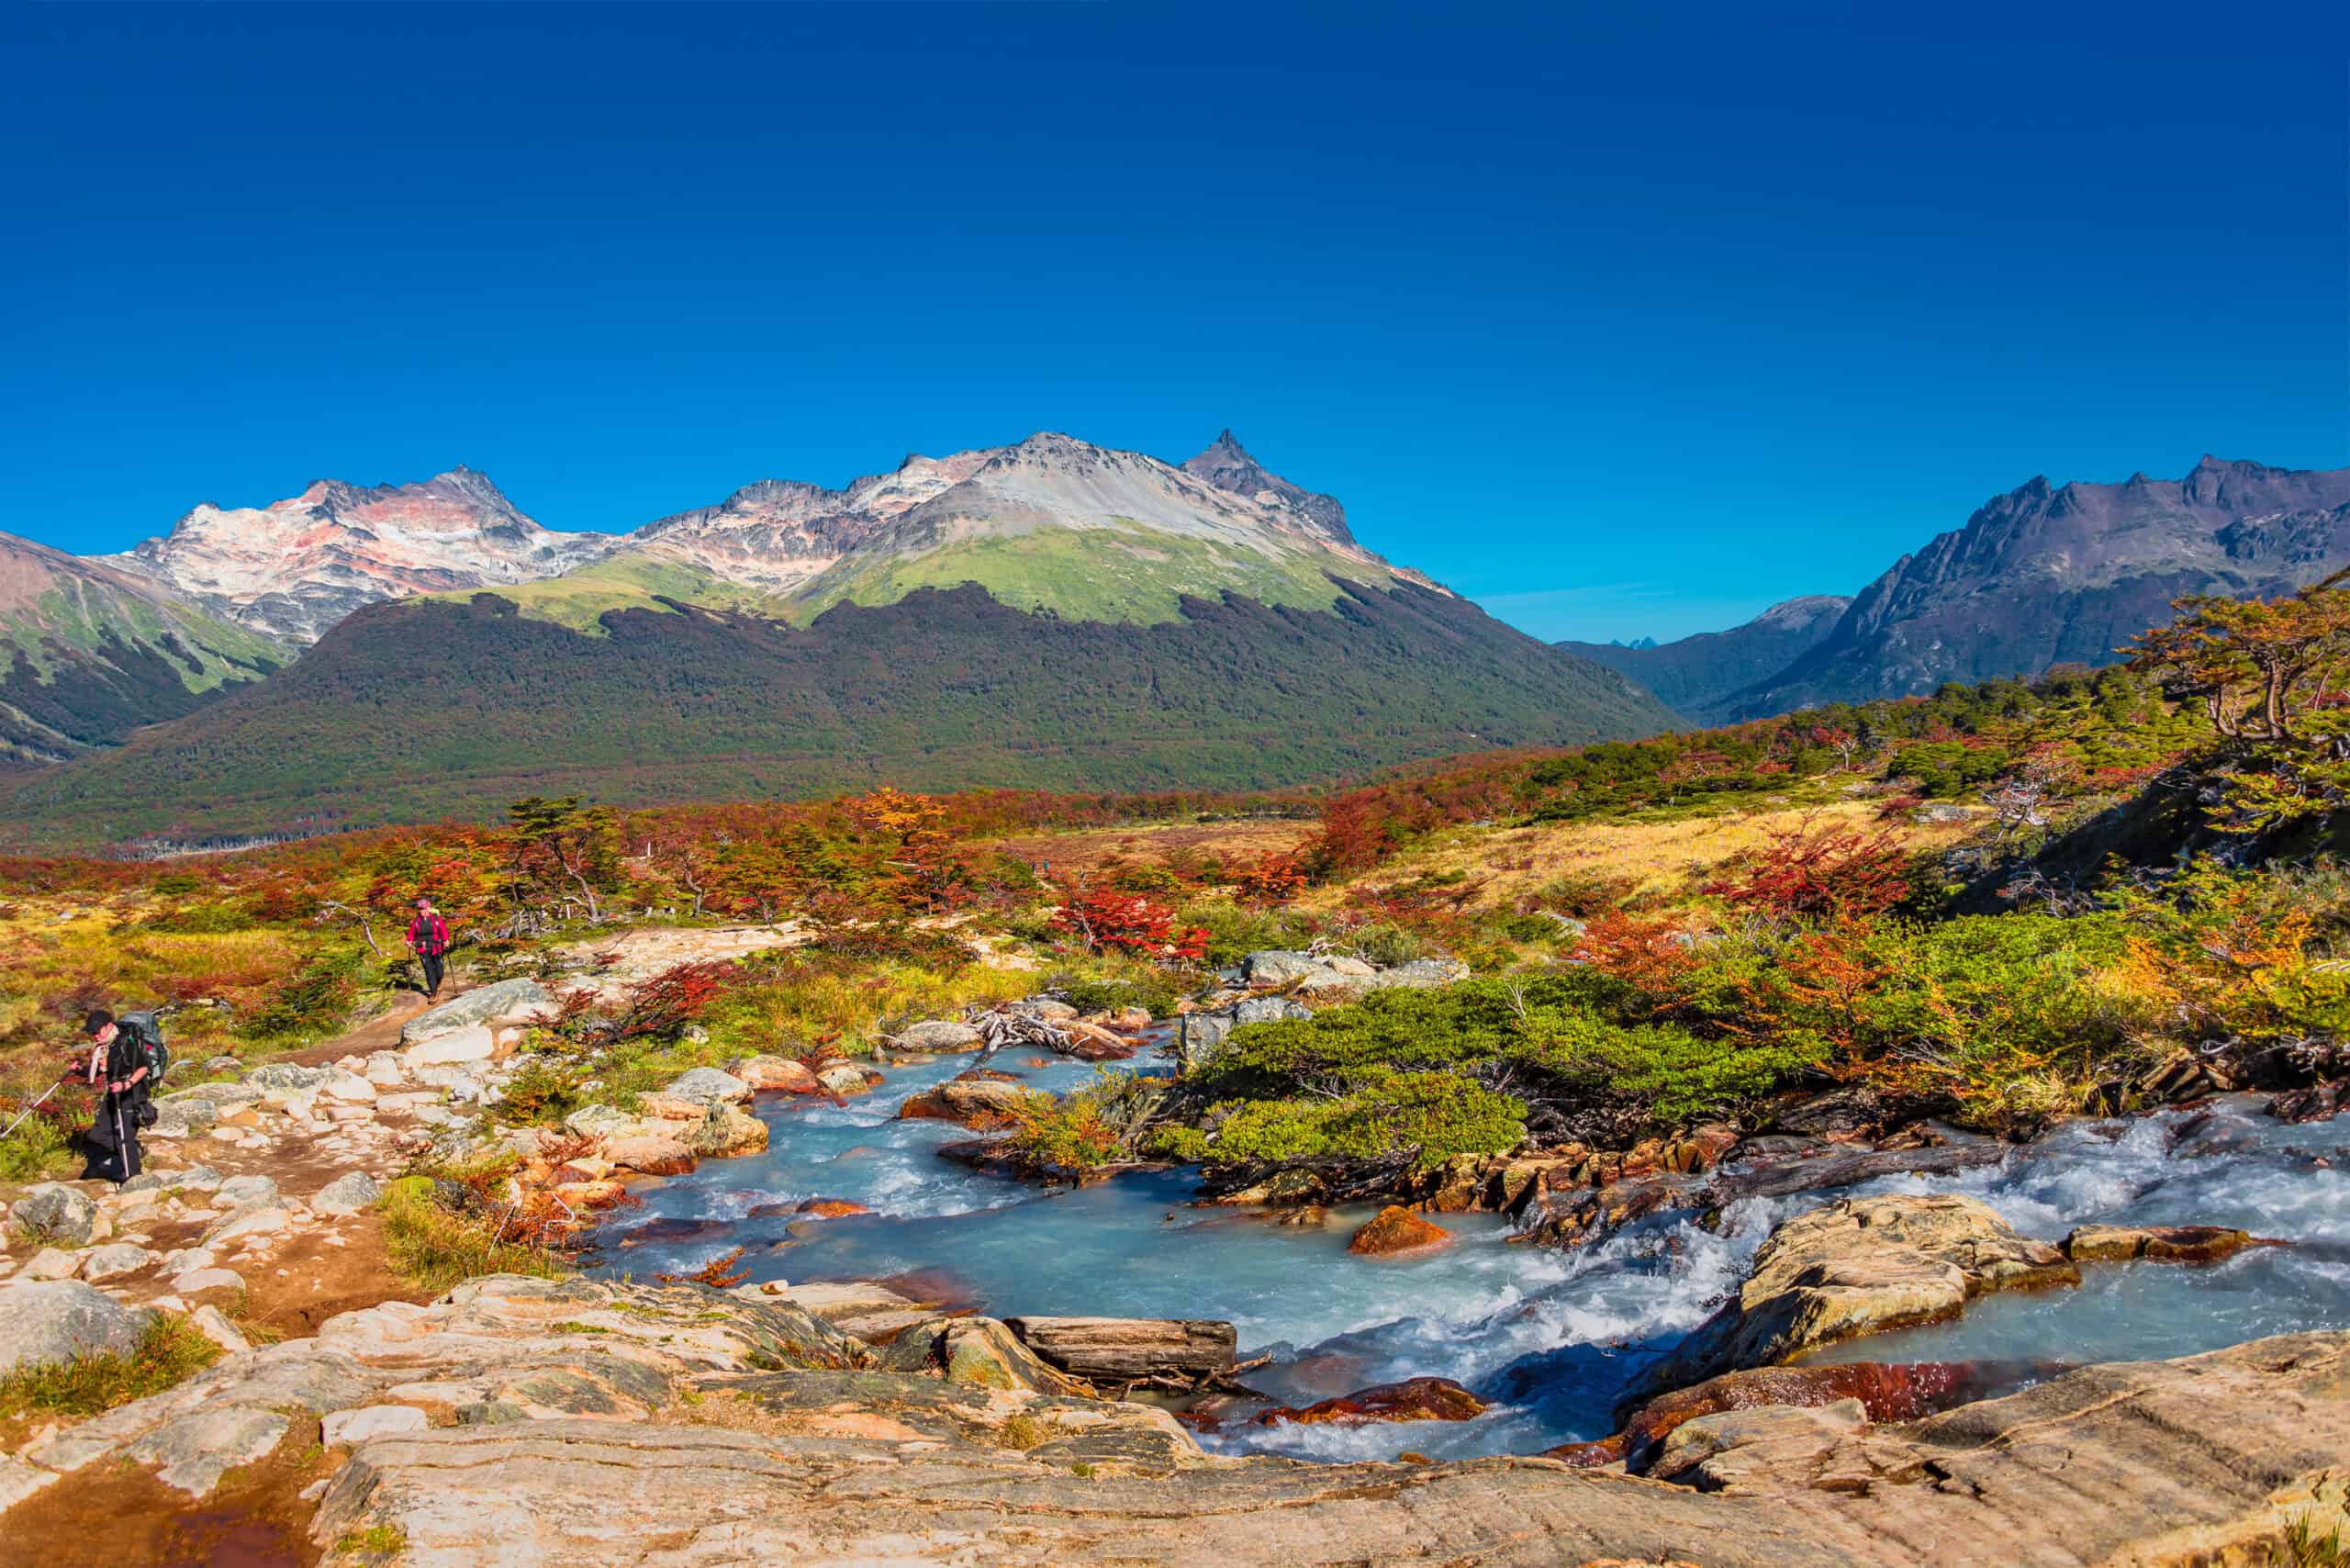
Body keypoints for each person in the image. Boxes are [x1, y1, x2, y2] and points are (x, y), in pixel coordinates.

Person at [79, 1009, 151, 1183]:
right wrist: (79, 1070)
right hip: (113, 1093)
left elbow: (143, 1067)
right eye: (92, 1033)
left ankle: (133, 1179)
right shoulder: (103, 1048)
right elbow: (98, 1071)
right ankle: (131, 1150)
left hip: (131, 1093)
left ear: (109, 1026)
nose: (94, 1036)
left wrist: (127, 1084)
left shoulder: (126, 1042)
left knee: (124, 1138)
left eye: (97, 1031)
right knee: (97, 1135)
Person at [407, 895, 453, 999]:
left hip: (437, 947)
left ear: (428, 908)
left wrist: (446, 940)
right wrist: (408, 941)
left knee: (440, 971)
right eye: (419, 909)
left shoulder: (436, 919)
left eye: (422, 909)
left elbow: (443, 930)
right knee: (429, 971)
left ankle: (439, 982)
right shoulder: (416, 923)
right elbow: (411, 934)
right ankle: (433, 993)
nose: (421, 911)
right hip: (422, 949)